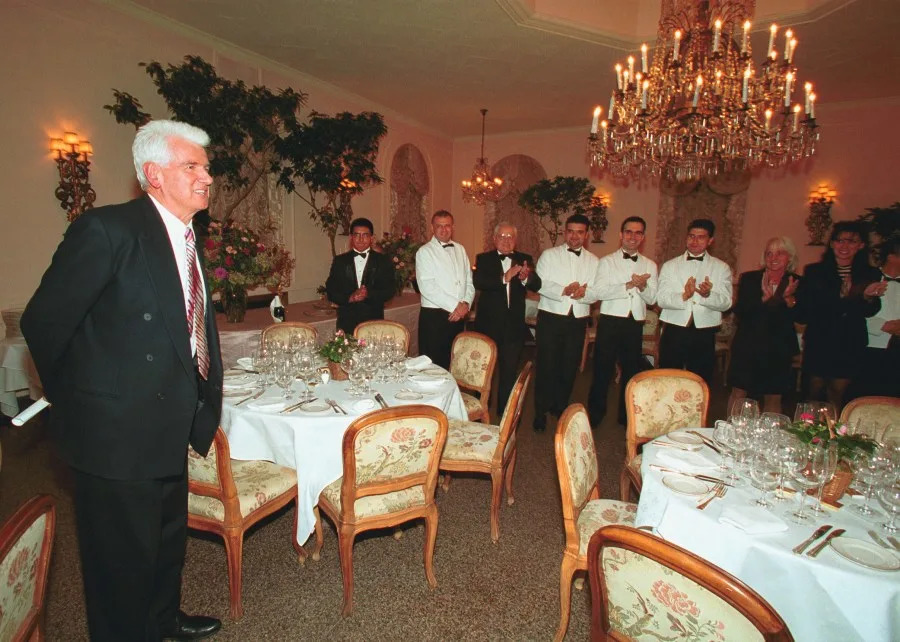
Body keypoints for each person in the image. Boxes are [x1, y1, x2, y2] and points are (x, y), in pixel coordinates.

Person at [21, 120, 224, 641]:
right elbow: (43, 323)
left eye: (205, 166)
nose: (206, 177)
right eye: (192, 166)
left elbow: (189, 329)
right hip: (115, 437)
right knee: (118, 564)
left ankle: (161, 621)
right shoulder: (108, 229)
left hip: (168, 426)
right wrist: (86, 406)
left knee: (163, 541)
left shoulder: (185, 235)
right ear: (153, 174)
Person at [796, 221, 882, 409]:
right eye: (840, 241)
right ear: (832, 244)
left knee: (839, 394)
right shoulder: (814, 271)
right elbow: (806, 309)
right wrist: (844, 297)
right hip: (820, 339)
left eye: (851, 242)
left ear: (861, 246)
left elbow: (871, 310)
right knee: (813, 392)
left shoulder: (870, 273)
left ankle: (835, 435)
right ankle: (806, 432)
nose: (844, 246)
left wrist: (867, 297)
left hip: (850, 341)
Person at [586, 216, 658, 427]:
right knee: (602, 371)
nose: (632, 236)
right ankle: (595, 416)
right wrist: (628, 284)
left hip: (634, 323)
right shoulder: (606, 262)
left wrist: (642, 287)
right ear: (621, 235)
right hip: (610, 321)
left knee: (631, 372)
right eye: (628, 232)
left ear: (643, 237)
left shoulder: (650, 265)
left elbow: (653, 298)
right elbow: (598, 291)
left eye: (637, 233)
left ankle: (626, 418)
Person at [533, 213, 600, 432]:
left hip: (578, 318)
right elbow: (539, 283)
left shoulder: (594, 261)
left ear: (587, 235)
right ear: (565, 232)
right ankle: (540, 411)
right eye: (571, 231)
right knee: (546, 365)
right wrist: (563, 290)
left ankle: (559, 405)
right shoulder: (549, 255)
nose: (574, 236)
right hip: (551, 316)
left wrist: (584, 293)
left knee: (569, 366)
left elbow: (596, 293)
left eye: (580, 232)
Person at [727, 236, 801, 414]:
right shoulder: (749, 279)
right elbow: (739, 311)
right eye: (769, 253)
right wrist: (763, 299)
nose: (773, 258)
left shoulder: (797, 282)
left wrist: (789, 300)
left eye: (780, 253)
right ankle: (729, 432)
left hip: (779, 348)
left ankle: (770, 438)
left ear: (789, 257)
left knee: (774, 396)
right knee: (739, 392)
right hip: (748, 345)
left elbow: (804, 316)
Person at [473, 222, 542, 414]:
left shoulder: (525, 259)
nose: (506, 240)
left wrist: (526, 277)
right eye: (502, 236)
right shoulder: (484, 259)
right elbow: (479, 282)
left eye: (510, 236)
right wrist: (505, 277)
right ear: (494, 239)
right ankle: (479, 409)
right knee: (483, 371)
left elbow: (537, 285)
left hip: (513, 327)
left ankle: (504, 413)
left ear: (516, 240)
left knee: (509, 372)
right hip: (488, 326)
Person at [657, 218, 733, 386]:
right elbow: (661, 299)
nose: (695, 241)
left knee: (700, 382)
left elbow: (727, 303)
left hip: (704, 332)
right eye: (691, 236)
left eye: (701, 237)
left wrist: (707, 295)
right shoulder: (670, 266)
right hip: (674, 329)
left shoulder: (721, 268)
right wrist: (684, 296)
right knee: (667, 379)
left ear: (710, 240)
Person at [415, 210, 475, 369]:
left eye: (447, 225)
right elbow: (427, 286)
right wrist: (457, 305)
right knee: (433, 366)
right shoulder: (424, 252)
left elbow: (469, 281)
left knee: (455, 363)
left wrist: (466, 303)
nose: (444, 229)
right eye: (439, 226)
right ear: (432, 228)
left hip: (459, 315)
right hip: (435, 317)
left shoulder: (461, 249)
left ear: (452, 227)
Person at [325, 217, 396, 335]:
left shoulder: (383, 261)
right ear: (351, 237)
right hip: (346, 322)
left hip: (374, 322)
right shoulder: (340, 261)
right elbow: (331, 291)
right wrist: (350, 297)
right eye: (357, 235)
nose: (361, 239)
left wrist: (368, 294)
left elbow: (389, 290)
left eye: (365, 235)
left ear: (372, 238)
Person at [858, 236, 900, 397]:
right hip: (871, 347)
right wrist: (882, 325)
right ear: (891, 256)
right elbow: (855, 311)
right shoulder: (868, 277)